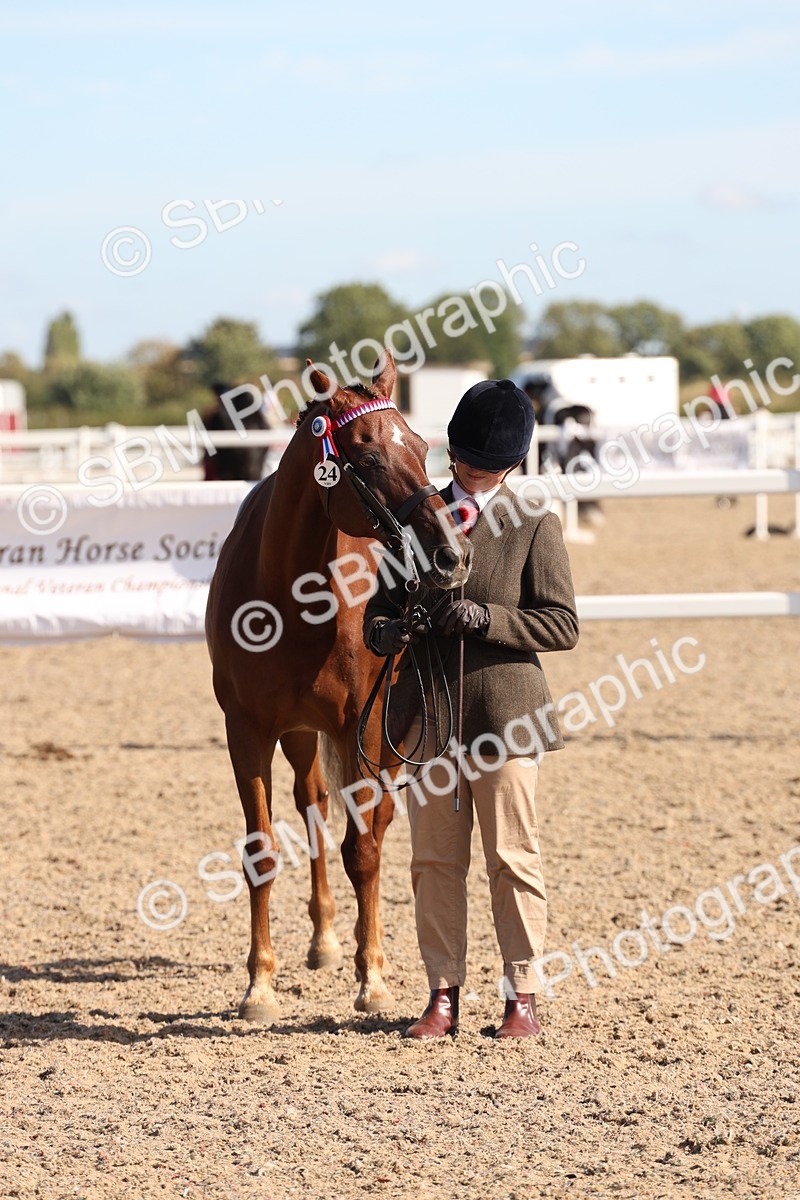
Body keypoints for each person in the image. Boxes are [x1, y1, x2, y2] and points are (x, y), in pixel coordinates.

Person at [363, 378, 579, 1040]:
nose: (471, 475)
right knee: (432, 861)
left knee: (512, 855)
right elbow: (376, 611)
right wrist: (386, 632)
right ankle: (442, 995)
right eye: (463, 461)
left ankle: (522, 997)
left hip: (507, 716)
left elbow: (561, 624)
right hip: (431, 717)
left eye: (485, 468)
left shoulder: (535, 524)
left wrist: (488, 618)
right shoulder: (415, 522)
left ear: (512, 466)